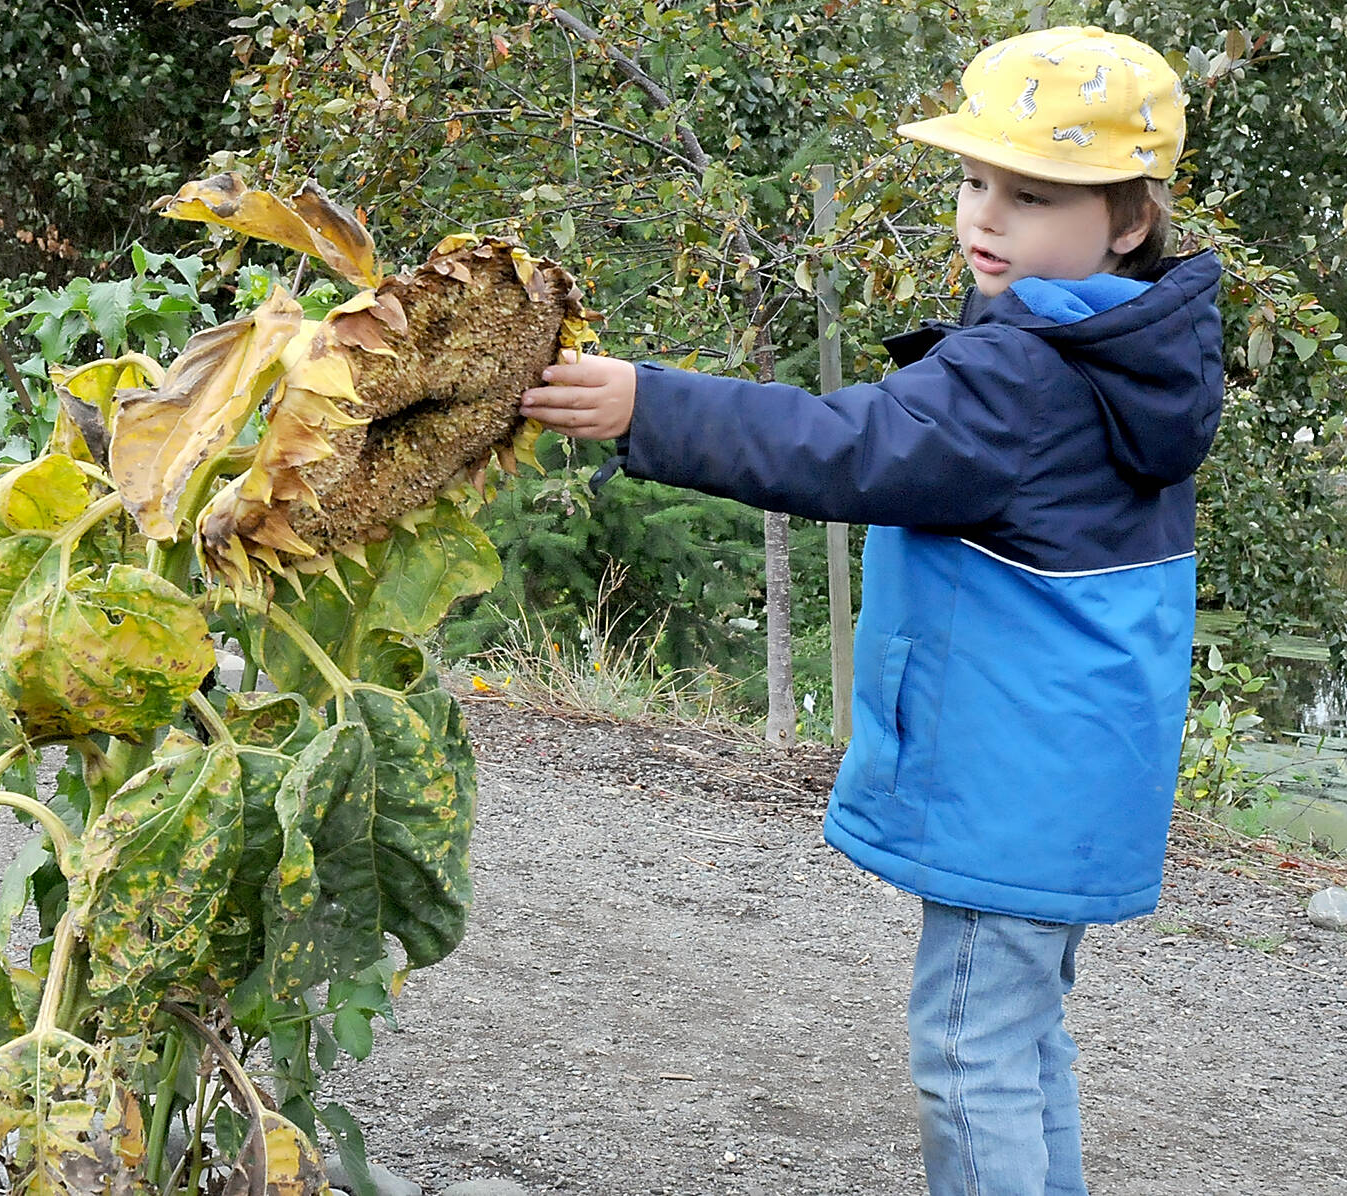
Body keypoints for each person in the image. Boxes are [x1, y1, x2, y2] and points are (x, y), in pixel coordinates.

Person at [519, 25, 1223, 1196]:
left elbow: (842, 447)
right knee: (1024, 1038)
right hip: (1076, 781)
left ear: (1129, 220)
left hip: (1013, 790)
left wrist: (648, 403)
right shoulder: (1135, 352)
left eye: (1032, 194)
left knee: (968, 1049)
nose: (985, 217)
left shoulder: (1025, 375)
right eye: (974, 179)